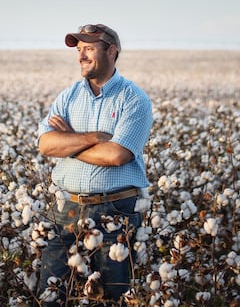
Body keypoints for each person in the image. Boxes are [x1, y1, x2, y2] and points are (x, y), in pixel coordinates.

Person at [36, 23, 153, 306]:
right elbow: (46, 145)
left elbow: (117, 155)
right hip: (66, 208)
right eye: (79, 50)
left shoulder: (134, 99)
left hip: (116, 210)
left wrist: (69, 144)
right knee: (50, 296)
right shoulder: (68, 96)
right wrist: (91, 139)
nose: (81, 56)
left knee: (112, 297)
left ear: (111, 51)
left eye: (89, 48)